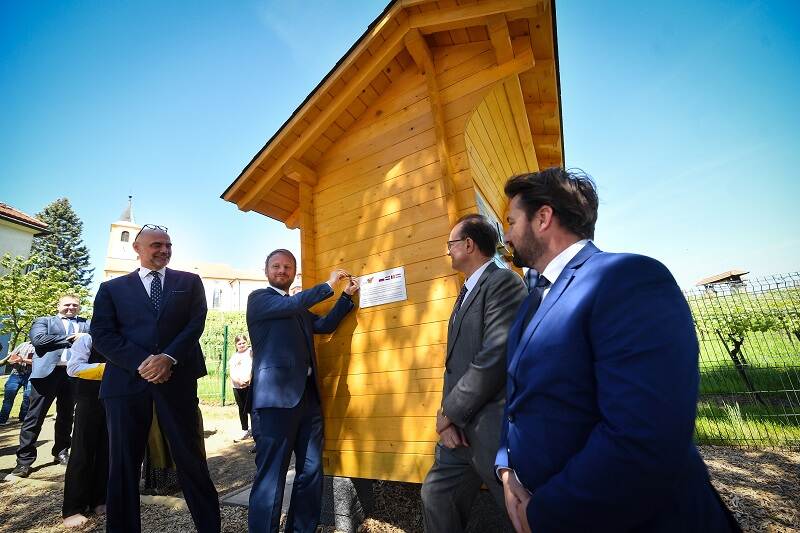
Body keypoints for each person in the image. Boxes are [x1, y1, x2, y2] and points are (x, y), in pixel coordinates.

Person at [496, 168, 740, 532]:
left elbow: (642, 438)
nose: (508, 235)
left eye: (512, 221)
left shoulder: (627, 278)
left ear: (543, 218)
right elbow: (517, 398)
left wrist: (543, 513)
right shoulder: (532, 301)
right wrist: (505, 468)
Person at [90, 224, 220, 533]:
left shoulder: (188, 282)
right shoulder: (112, 289)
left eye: (168, 245)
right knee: (122, 464)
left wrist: (168, 358)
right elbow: (102, 333)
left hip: (176, 380)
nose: (164, 250)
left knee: (191, 459)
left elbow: (195, 323)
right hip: (125, 383)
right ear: (137, 249)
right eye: (156, 245)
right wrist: (143, 362)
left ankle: (210, 526)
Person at [421, 214, 526, 532]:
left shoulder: (503, 282)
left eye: (451, 244)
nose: (448, 250)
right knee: (436, 496)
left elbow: (493, 356)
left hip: (492, 431)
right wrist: (448, 418)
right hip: (457, 432)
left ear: (468, 244)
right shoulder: (466, 290)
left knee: (517, 513)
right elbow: (454, 365)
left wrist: (450, 412)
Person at [247, 249, 359, 533]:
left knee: (310, 472)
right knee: (271, 477)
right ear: (266, 270)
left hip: (308, 400)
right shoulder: (259, 300)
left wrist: (345, 298)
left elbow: (324, 325)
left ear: (294, 273)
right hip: (274, 403)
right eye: (277, 266)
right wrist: (328, 285)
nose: (282, 271)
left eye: (288, 267)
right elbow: (293, 305)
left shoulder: (297, 308)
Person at [11, 294, 87, 478]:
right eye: (67, 305)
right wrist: (74, 339)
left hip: (74, 374)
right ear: (58, 305)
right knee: (34, 417)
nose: (71, 308)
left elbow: (97, 338)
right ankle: (24, 461)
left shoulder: (86, 324)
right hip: (47, 375)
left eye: (75, 305)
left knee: (66, 416)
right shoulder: (43, 321)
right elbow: (39, 340)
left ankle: (61, 452)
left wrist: (84, 336)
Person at [62, 334, 108, 528]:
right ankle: (73, 508)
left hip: (116, 399)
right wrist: (106, 369)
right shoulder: (88, 338)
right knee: (82, 449)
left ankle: (100, 499)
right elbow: (73, 368)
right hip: (89, 399)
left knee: (107, 450)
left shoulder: (126, 337)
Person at [0, 340, 35, 425]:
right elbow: (11, 356)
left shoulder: (41, 346)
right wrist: (13, 359)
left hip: (31, 375)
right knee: (8, 398)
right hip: (16, 374)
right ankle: (2, 420)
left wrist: (22, 360)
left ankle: (23, 419)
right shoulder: (23, 345)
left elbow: (39, 362)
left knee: (27, 398)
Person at [230, 333, 253, 442]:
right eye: (239, 343)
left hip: (250, 384)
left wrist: (249, 379)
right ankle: (245, 430)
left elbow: (254, 366)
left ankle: (255, 430)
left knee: (253, 408)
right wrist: (238, 381)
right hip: (237, 387)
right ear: (236, 345)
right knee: (242, 408)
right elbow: (232, 372)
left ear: (247, 342)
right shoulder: (234, 357)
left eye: (244, 343)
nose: (242, 345)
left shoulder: (251, 353)